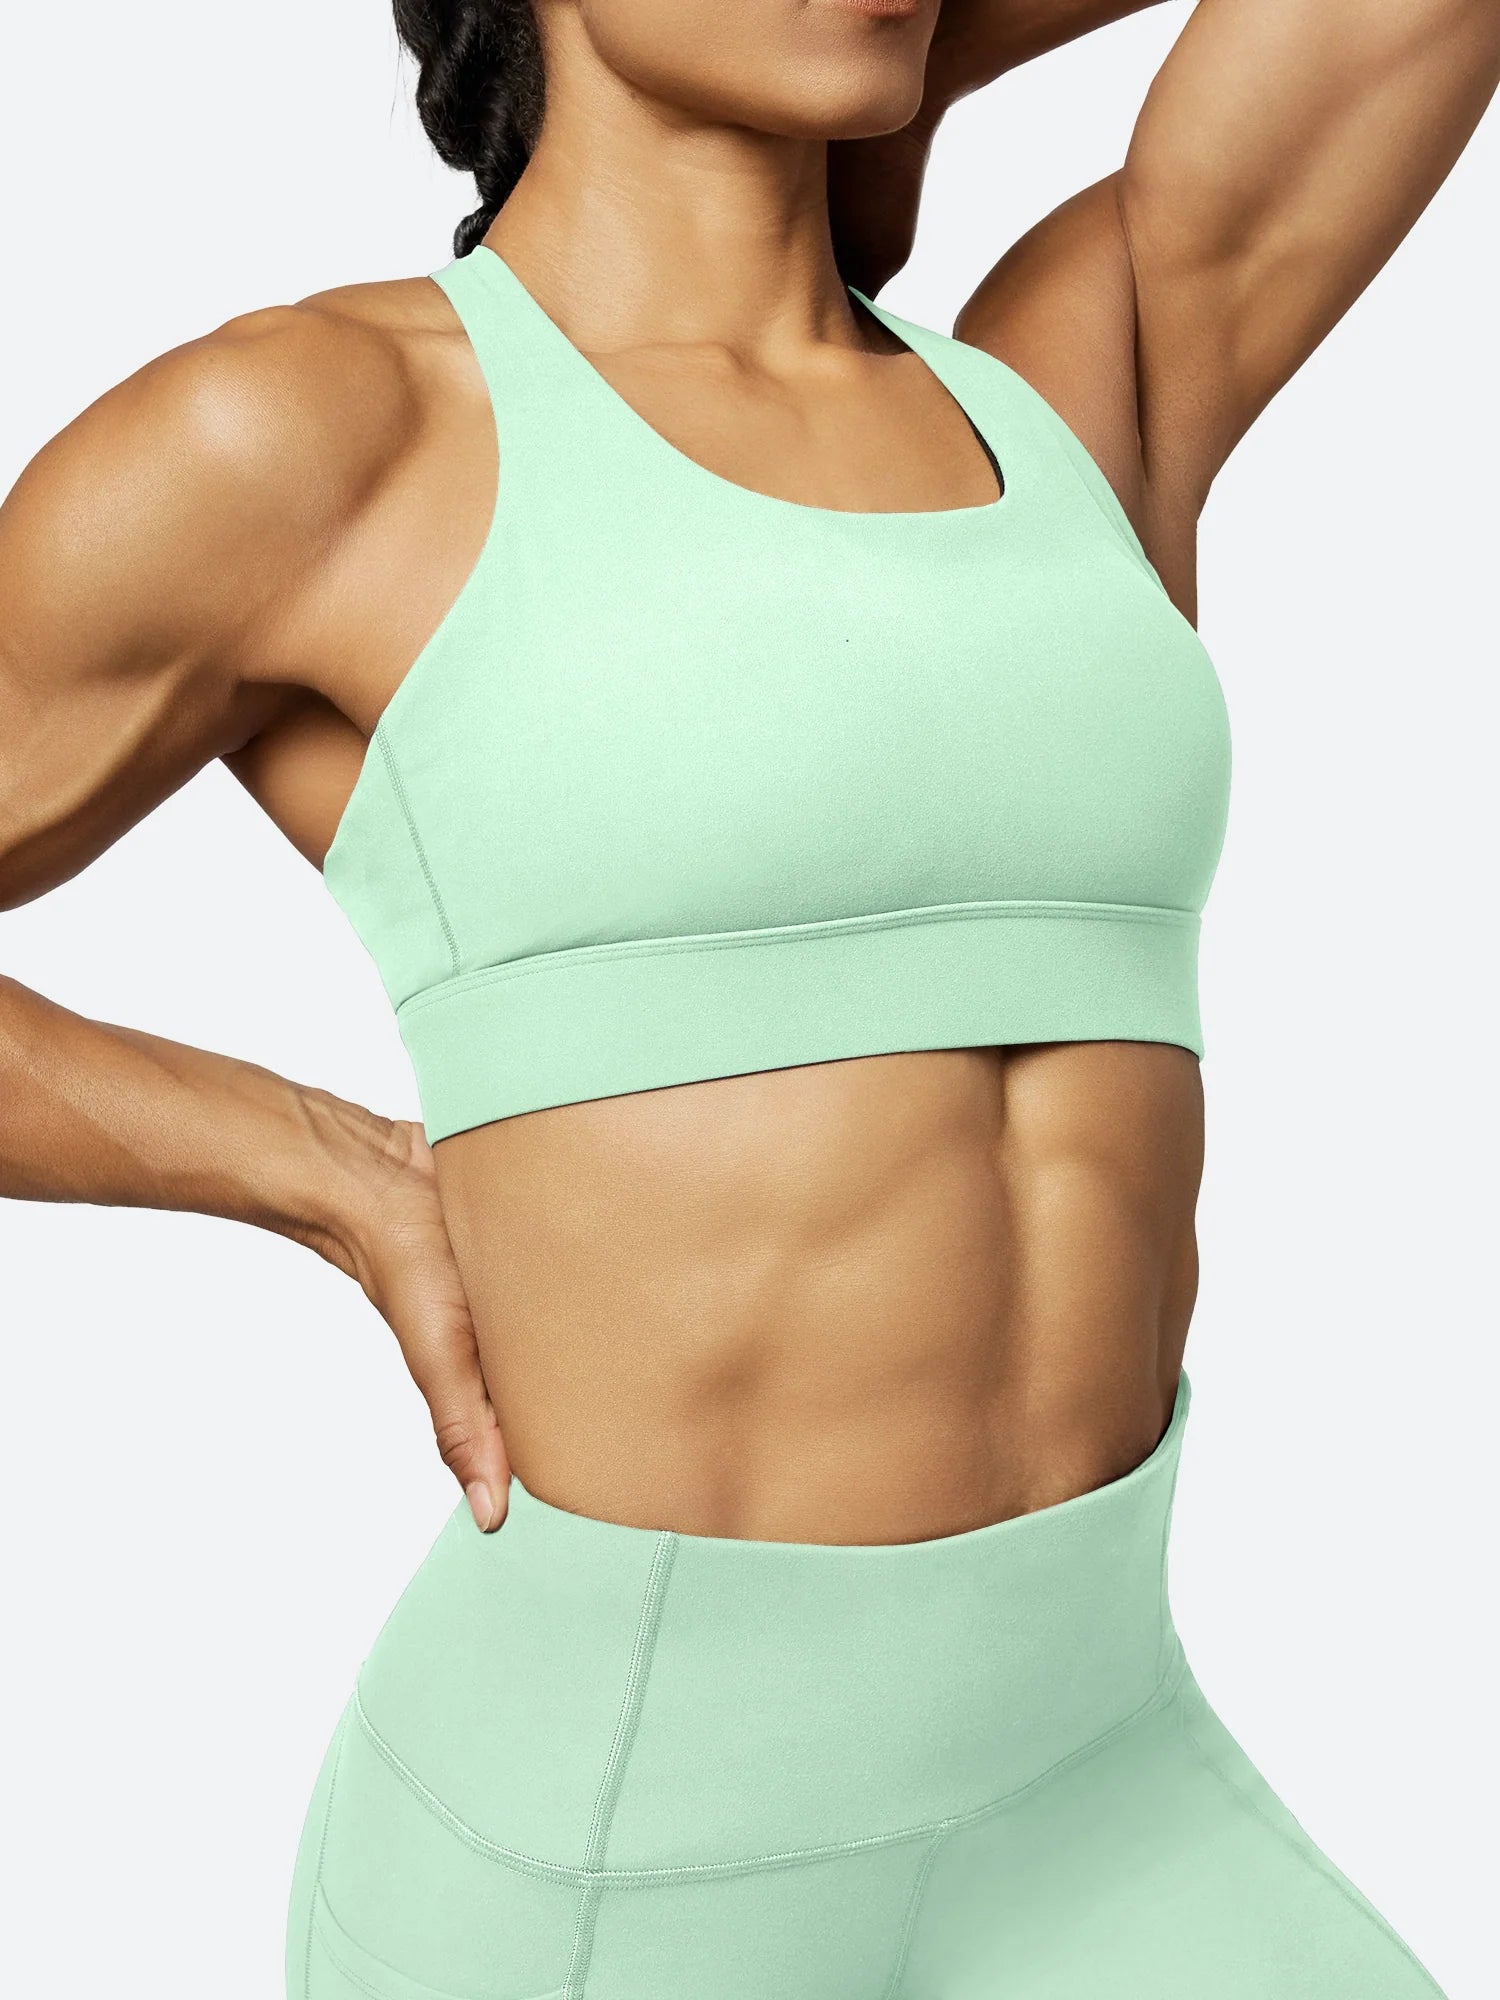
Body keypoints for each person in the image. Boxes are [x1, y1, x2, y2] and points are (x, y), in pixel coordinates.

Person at [1, 2, 1493, 1994]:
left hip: (1094, 1775)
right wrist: (321, 1169)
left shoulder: (1083, 386)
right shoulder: (322, 437)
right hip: (619, 1861)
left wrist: (914, 59)